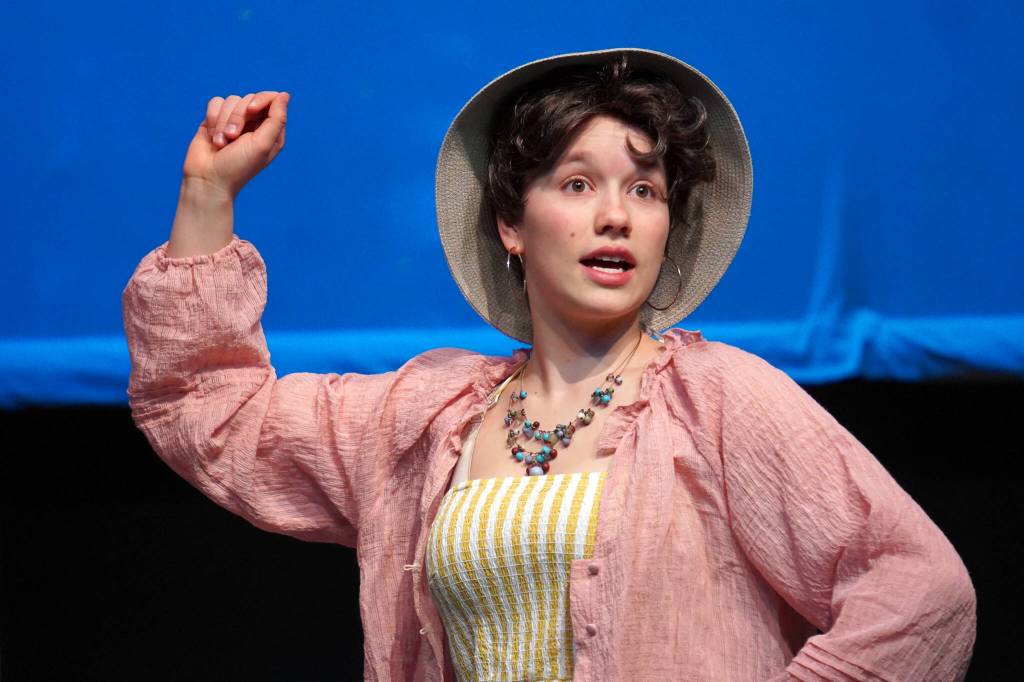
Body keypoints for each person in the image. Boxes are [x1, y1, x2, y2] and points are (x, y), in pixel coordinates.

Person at [122, 48, 977, 681]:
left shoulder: (718, 398)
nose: (616, 216)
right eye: (576, 184)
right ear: (511, 224)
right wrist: (208, 192)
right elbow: (215, 413)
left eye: (644, 190)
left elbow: (918, 591)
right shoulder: (426, 418)